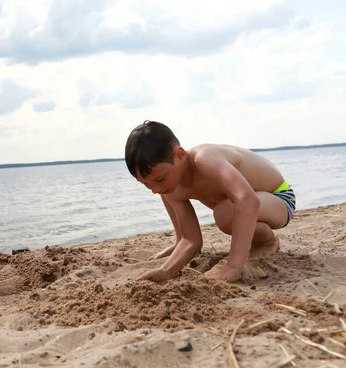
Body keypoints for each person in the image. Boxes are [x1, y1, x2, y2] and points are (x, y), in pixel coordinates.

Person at [125, 121, 296, 283]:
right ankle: (176, 241)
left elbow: (247, 200)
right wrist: (166, 271)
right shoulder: (170, 187)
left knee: (225, 213)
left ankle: (266, 241)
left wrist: (233, 266)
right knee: (177, 195)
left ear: (180, 155)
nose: (155, 189)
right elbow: (192, 240)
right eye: (145, 184)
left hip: (279, 197)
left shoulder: (206, 160)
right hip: (250, 205)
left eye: (160, 179)